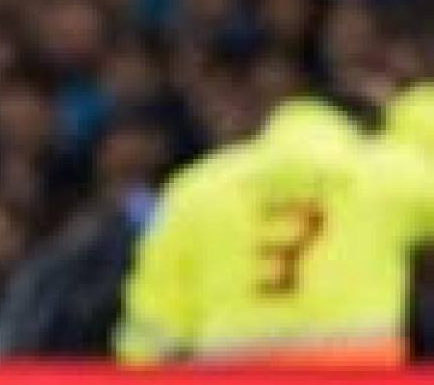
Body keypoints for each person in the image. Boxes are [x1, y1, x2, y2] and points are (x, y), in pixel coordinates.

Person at [117, 92, 434, 366]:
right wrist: (410, 116)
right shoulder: (392, 174)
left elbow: (152, 328)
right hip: (361, 377)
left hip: (230, 384)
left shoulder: (196, 186)